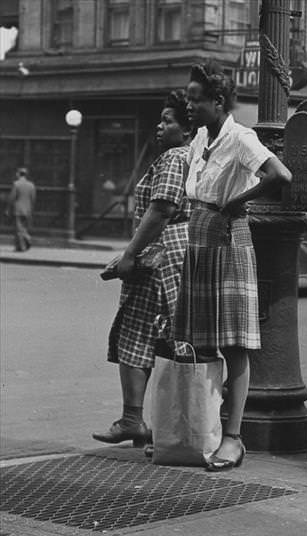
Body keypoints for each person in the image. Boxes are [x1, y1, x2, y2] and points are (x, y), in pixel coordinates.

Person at [173, 60, 292, 472]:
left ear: (218, 100)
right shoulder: (200, 137)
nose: (189, 105)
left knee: (234, 344)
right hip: (199, 235)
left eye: (195, 99)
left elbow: (280, 174)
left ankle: (233, 438)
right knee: (199, 340)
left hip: (228, 238)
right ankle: (200, 430)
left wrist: (242, 200)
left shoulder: (241, 137)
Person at [93, 90, 193, 448]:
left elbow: (162, 209)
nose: (160, 125)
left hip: (160, 257)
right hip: (173, 254)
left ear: (187, 128)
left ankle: (140, 421)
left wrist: (129, 255)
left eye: (168, 120)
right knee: (163, 336)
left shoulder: (174, 159)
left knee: (139, 333)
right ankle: (147, 422)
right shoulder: (193, 156)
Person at [5, 167, 36, 252]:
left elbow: (12, 198)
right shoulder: (31, 185)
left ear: (19, 174)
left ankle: (24, 244)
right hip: (27, 209)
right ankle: (18, 247)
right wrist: (31, 209)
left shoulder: (16, 184)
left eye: (17, 173)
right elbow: (33, 198)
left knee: (18, 229)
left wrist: (8, 209)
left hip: (18, 209)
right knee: (23, 228)